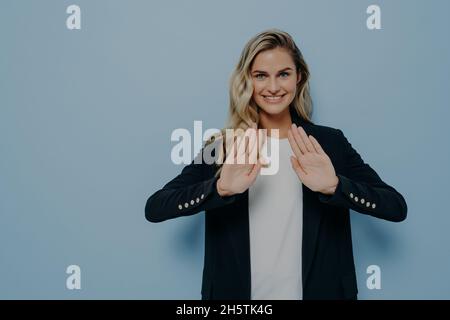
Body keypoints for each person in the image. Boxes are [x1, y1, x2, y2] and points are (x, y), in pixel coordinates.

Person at [145, 29, 407, 300]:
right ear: (247, 81)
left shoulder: (329, 144)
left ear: (299, 78)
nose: (273, 87)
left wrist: (336, 186)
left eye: (283, 74)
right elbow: (155, 207)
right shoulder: (223, 147)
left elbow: (396, 206)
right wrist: (219, 188)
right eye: (261, 76)